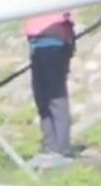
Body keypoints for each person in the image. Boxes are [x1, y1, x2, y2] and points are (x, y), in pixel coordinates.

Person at [24, 11, 75, 165]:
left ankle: (61, 148)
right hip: (36, 45)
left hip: (54, 44)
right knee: (41, 97)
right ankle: (49, 145)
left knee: (55, 97)